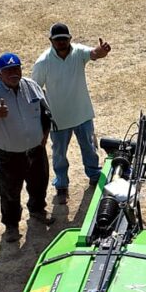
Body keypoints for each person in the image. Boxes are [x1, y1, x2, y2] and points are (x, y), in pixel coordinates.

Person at [0, 53, 55, 243]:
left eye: (16, 68)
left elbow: (45, 113)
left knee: (39, 183)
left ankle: (37, 210)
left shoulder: (31, 86)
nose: (13, 73)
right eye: (8, 70)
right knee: (10, 191)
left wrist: (44, 137)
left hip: (36, 149)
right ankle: (11, 225)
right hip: (9, 155)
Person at [31, 23, 111, 204]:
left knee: (89, 148)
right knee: (59, 154)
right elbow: (35, 90)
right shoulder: (43, 62)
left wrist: (101, 51)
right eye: (57, 39)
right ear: (51, 40)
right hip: (58, 119)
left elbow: (94, 54)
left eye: (64, 39)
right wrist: (43, 116)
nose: (61, 42)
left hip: (82, 114)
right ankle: (61, 185)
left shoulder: (78, 52)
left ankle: (94, 175)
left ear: (70, 39)